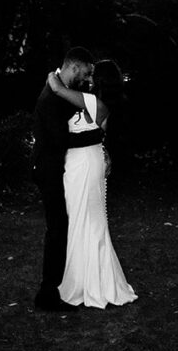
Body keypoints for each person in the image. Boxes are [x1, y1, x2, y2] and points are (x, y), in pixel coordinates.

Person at [47, 58, 138, 309]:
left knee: (87, 221)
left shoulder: (93, 102)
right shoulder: (97, 101)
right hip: (87, 160)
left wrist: (54, 75)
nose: (88, 75)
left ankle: (91, 283)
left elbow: (56, 88)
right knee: (86, 221)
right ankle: (90, 279)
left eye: (92, 73)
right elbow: (100, 133)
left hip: (84, 164)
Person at [32, 46, 96, 311]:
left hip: (57, 168)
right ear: (73, 66)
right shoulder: (50, 96)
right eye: (85, 71)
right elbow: (61, 139)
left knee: (62, 228)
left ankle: (57, 287)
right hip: (49, 170)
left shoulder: (60, 88)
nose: (87, 77)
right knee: (57, 229)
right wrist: (96, 137)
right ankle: (47, 294)